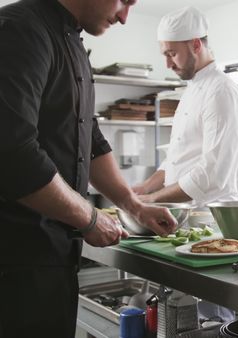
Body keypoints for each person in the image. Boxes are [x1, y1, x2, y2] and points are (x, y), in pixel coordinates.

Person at [0, 0, 179, 337]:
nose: (126, 17)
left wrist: (135, 206)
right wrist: (89, 217)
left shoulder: (74, 44)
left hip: (52, 257)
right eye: (124, 0)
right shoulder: (20, 30)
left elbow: (89, 138)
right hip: (14, 261)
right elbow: (11, 151)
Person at [132, 6, 238, 323]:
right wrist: (140, 190)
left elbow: (212, 174)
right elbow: (175, 161)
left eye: (172, 54)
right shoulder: (193, 88)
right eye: (164, 54)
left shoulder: (221, 91)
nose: (167, 63)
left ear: (196, 44)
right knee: (181, 316)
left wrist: (151, 201)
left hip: (210, 226)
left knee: (211, 317)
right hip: (182, 223)